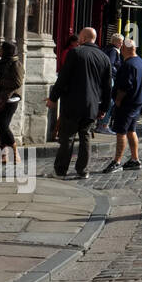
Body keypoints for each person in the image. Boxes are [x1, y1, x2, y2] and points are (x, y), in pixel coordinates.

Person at [46, 28, 111, 179]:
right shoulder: (104, 58)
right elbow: (108, 87)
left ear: (83, 38)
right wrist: (104, 108)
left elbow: (63, 78)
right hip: (92, 105)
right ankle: (83, 170)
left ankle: (60, 170)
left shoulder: (75, 53)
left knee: (67, 138)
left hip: (73, 103)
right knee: (85, 137)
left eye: (80, 36)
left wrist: (53, 98)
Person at [102, 39, 142, 173]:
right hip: (137, 101)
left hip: (128, 103)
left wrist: (118, 100)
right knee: (131, 130)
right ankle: (135, 159)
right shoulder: (140, 61)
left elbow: (125, 86)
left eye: (122, 49)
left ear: (125, 50)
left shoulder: (128, 65)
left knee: (121, 131)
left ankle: (117, 161)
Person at [0, 41, 24, 167]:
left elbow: (17, 82)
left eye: (2, 48)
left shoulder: (16, 64)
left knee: (3, 125)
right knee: (0, 125)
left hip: (10, 99)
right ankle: (4, 154)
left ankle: (15, 152)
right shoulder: (2, 62)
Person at [96, 33, 124, 135]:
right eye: (119, 41)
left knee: (105, 101)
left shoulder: (107, 49)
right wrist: (118, 73)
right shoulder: (113, 51)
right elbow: (110, 65)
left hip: (105, 79)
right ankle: (103, 125)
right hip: (110, 79)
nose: (121, 44)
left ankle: (100, 124)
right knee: (110, 102)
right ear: (114, 41)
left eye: (122, 42)